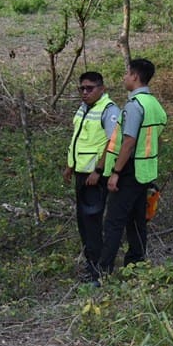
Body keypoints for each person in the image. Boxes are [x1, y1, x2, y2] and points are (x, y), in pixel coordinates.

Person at [99, 59, 167, 276]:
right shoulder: (154, 104)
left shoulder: (134, 105)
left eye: (126, 73)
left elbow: (128, 142)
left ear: (135, 76)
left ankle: (103, 271)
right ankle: (136, 266)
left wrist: (115, 173)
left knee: (114, 222)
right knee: (137, 222)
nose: (124, 77)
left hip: (128, 171)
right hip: (145, 172)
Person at [63, 72, 119, 283]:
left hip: (95, 176)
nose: (85, 92)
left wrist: (98, 170)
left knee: (93, 222)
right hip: (81, 173)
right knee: (83, 222)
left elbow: (112, 143)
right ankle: (91, 263)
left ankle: (98, 269)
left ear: (102, 88)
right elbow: (78, 139)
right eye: (82, 88)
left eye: (90, 88)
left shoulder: (108, 109)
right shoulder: (84, 108)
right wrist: (70, 166)